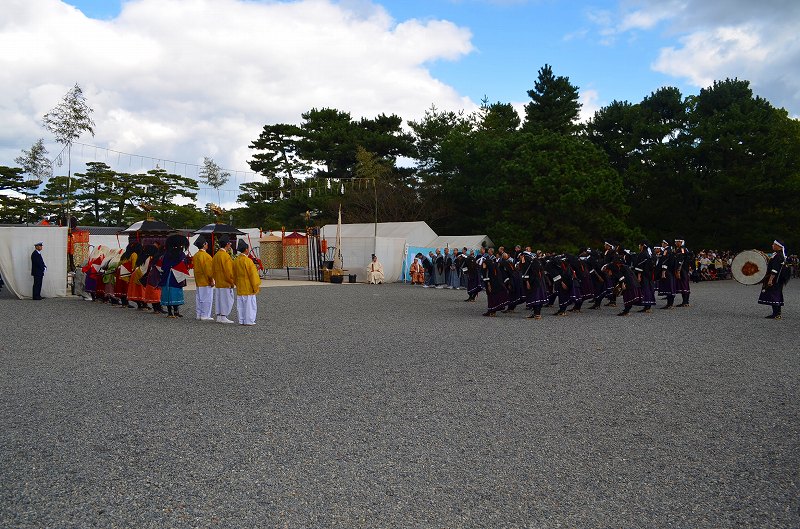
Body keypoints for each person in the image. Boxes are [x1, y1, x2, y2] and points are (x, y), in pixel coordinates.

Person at [159, 234, 190, 319]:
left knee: (168, 291)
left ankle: (169, 312)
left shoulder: (167, 254)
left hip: (167, 275)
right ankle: (176, 311)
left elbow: (163, 265)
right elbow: (184, 264)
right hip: (177, 275)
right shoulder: (181, 254)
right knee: (176, 291)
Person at [759, 240, 789, 319]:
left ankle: (776, 314)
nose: (772, 245)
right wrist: (763, 254)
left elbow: (775, 269)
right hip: (777, 279)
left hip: (775, 279)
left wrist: (770, 279)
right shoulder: (777, 254)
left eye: (774, 244)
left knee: (774, 295)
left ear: (778, 246)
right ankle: (777, 313)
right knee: (776, 294)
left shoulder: (778, 256)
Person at [233, 239, 261, 325]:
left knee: (241, 304)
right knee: (249, 304)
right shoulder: (248, 261)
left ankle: (242, 320)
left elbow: (234, 274)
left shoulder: (236, 260)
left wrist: (236, 283)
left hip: (240, 286)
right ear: (246, 249)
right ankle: (249, 320)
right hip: (248, 286)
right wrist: (255, 286)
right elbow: (253, 275)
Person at [212, 236, 235, 324]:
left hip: (218, 281)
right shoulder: (225, 256)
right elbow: (228, 271)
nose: (230, 246)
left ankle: (219, 316)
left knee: (219, 299)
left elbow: (212, 269)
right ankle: (224, 316)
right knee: (226, 299)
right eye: (229, 244)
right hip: (225, 282)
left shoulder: (216, 255)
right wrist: (231, 281)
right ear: (227, 244)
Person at [193, 235, 215, 321]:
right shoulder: (207, 256)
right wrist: (211, 280)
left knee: (199, 298)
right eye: (206, 243)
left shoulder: (196, 255)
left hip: (198, 280)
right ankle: (205, 315)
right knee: (207, 298)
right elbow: (208, 271)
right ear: (204, 244)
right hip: (205, 280)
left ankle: (199, 314)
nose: (207, 245)